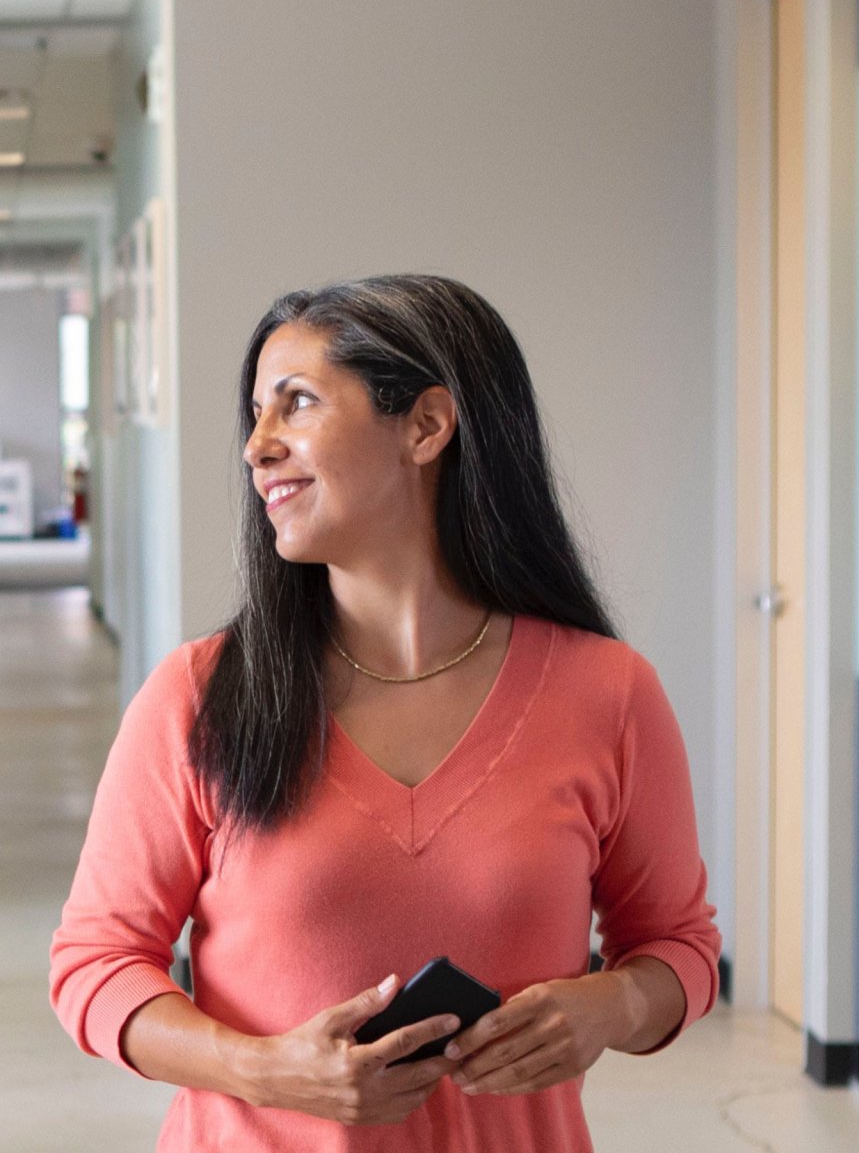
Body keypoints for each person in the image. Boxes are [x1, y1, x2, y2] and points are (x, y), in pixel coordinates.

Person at [50, 274, 719, 1150]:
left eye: (296, 404)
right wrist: (260, 1068)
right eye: (255, 413)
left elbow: (680, 948)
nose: (257, 447)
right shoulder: (198, 696)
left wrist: (616, 1002)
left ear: (426, 426)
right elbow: (93, 966)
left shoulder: (609, 694)